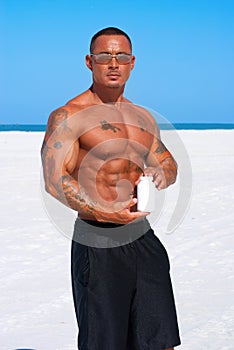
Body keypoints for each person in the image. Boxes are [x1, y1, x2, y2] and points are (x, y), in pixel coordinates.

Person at [41, 27, 181, 350]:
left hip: (143, 239)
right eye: (105, 56)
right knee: (104, 343)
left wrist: (161, 173)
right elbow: (53, 180)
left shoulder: (142, 118)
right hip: (97, 239)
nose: (113, 63)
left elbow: (168, 162)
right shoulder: (69, 116)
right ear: (90, 62)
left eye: (121, 57)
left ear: (133, 63)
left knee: (160, 342)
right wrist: (106, 212)